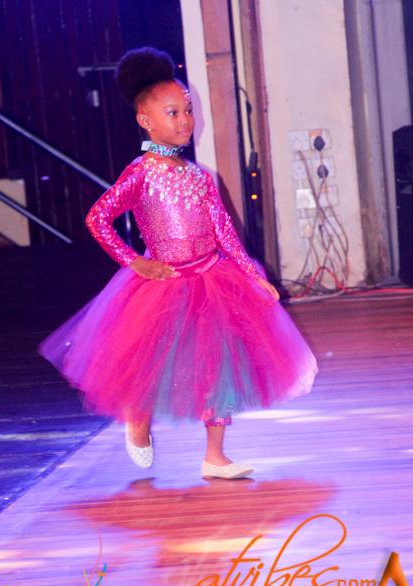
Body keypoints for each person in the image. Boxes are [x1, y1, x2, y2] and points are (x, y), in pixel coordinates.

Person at [39, 47, 317, 479]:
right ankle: (138, 415)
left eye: (188, 110)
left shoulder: (201, 177)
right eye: (173, 113)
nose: (185, 120)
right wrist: (135, 262)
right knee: (154, 360)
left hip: (212, 280)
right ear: (145, 120)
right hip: (163, 284)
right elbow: (98, 219)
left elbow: (225, 234)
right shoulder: (140, 173)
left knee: (218, 365)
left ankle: (215, 456)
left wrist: (251, 274)